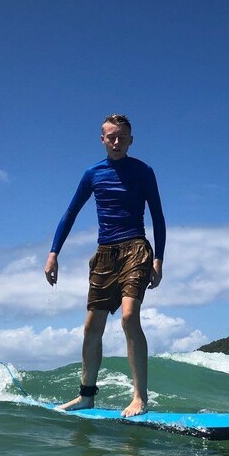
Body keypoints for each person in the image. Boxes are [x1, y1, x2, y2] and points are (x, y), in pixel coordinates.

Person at [44, 113, 166, 417]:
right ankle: (86, 396)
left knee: (128, 317)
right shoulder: (92, 173)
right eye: (111, 136)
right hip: (104, 254)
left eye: (122, 136)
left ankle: (140, 397)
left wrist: (158, 259)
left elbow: (158, 217)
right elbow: (70, 213)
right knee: (91, 326)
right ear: (102, 139)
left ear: (130, 140)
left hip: (136, 248)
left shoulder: (143, 171)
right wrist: (53, 252)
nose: (116, 141)